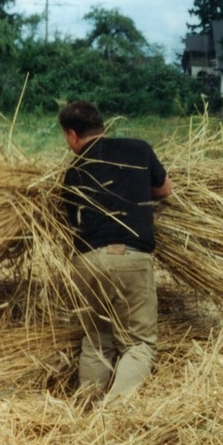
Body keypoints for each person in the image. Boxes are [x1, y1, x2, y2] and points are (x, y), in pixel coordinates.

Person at [59, 100, 173, 408]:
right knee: (139, 343)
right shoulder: (138, 150)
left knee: (96, 341)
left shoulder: (71, 172)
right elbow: (165, 191)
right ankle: (113, 416)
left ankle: (84, 409)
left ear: (72, 135)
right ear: (102, 126)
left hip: (86, 263)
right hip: (131, 258)